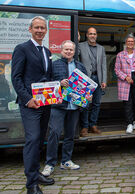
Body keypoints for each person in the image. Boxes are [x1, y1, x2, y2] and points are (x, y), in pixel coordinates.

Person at [11, 16, 55, 194]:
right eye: (36, 27)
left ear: (46, 30)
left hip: (45, 104)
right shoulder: (22, 49)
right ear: (30, 29)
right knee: (32, 140)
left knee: (39, 141)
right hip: (30, 105)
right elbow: (16, 78)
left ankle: (36, 173)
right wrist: (28, 99)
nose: (39, 30)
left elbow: (47, 78)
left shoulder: (46, 51)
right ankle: (31, 185)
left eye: (42, 28)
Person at [41, 40, 90, 177]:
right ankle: (50, 164)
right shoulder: (54, 65)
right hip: (58, 105)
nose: (68, 52)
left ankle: (66, 161)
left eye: (71, 50)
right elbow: (46, 84)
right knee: (54, 133)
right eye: (66, 49)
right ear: (61, 50)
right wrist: (59, 83)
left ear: (74, 52)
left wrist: (87, 96)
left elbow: (85, 85)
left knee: (70, 135)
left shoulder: (80, 66)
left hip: (74, 106)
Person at [79, 27, 107, 137]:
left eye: (94, 34)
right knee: (85, 104)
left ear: (96, 35)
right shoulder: (81, 46)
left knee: (96, 104)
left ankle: (93, 125)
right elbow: (75, 56)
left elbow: (104, 65)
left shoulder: (101, 48)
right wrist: (76, 39)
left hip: (98, 79)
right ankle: (84, 127)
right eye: (90, 33)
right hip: (85, 80)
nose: (92, 36)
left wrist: (104, 80)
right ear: (86, 35)